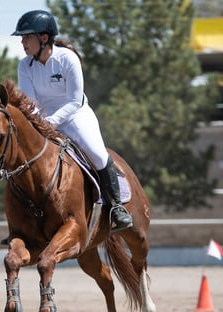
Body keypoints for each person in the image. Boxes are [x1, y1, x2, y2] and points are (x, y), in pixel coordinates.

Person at [11, 10, 133, 232]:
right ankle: (22, 220)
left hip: (75, 116)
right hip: (42, 119)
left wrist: (52, 121)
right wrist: (39, 122)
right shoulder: (25, 65)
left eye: (27, 37)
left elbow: (75, 100)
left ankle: (116, 207)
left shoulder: (67, 59)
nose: (23, 42)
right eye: (22, 38)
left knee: (96, 152)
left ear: (44, 38)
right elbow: (30, 103)